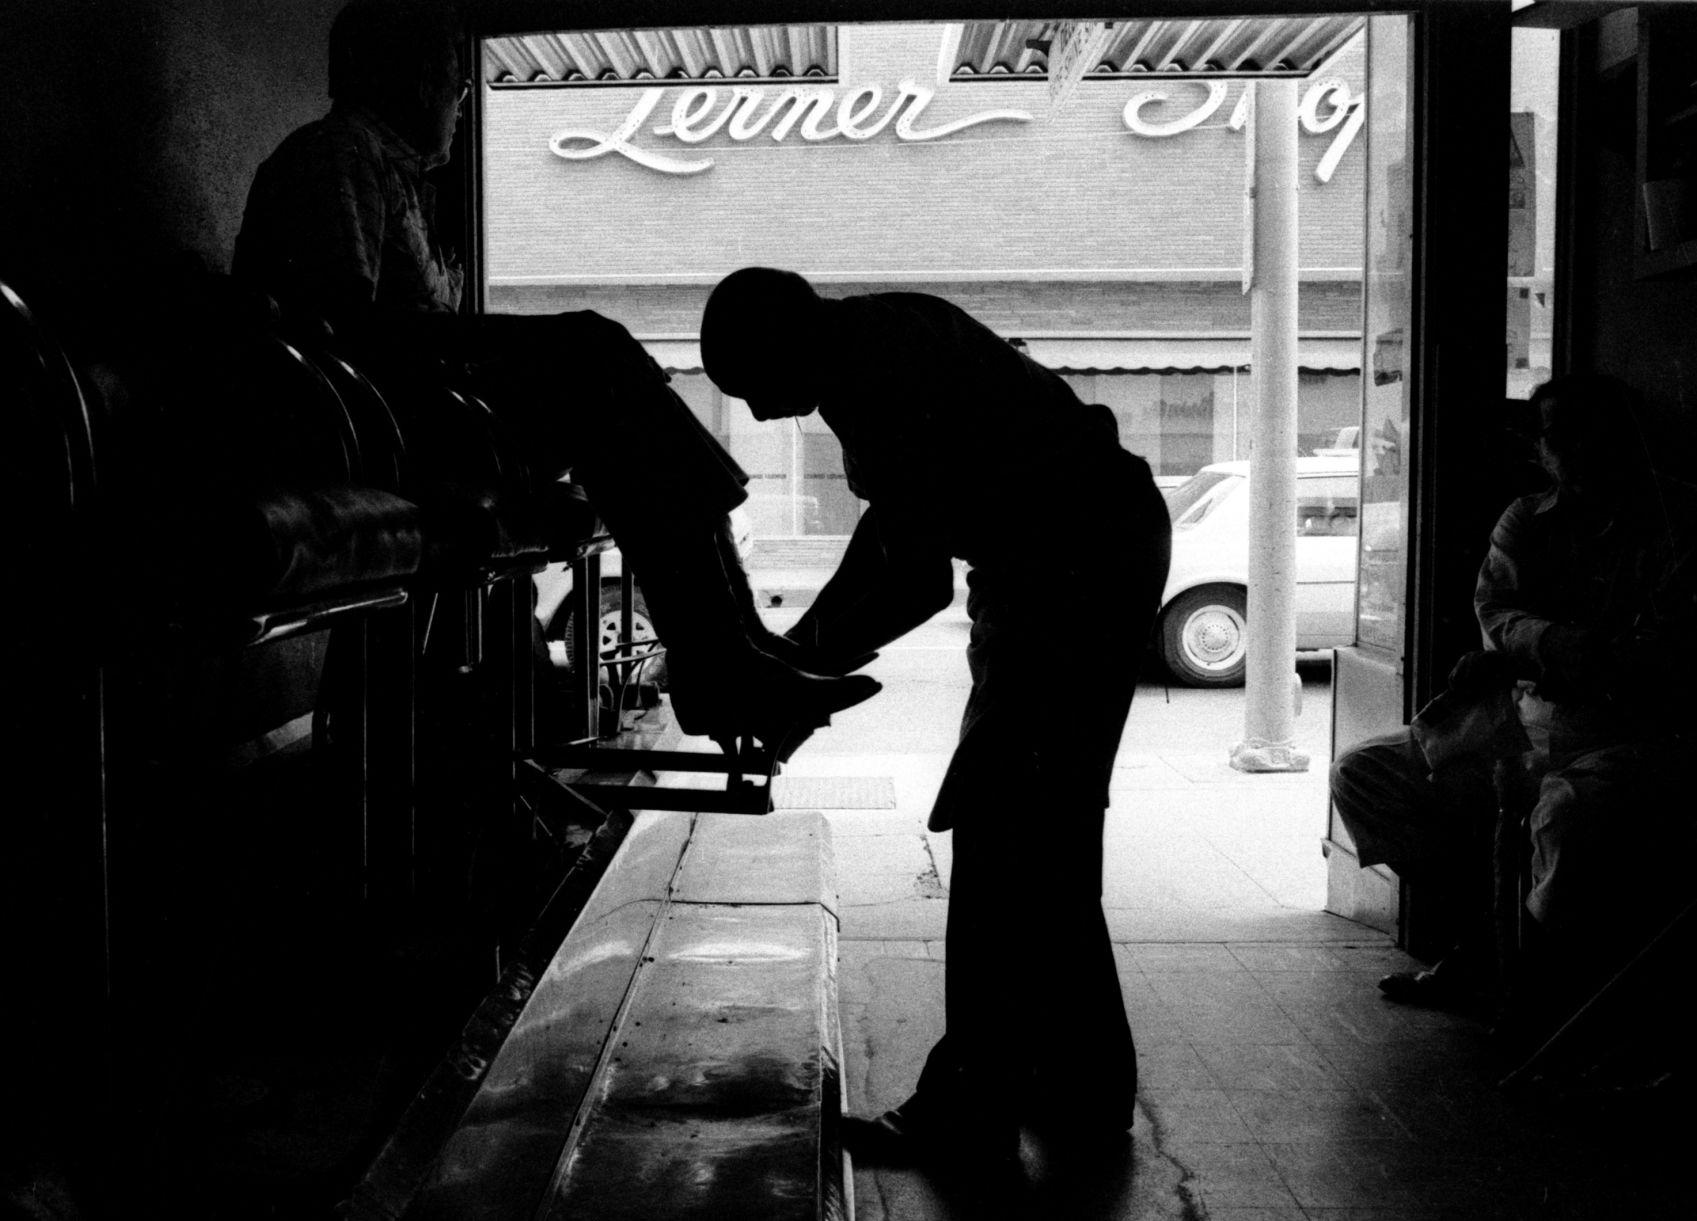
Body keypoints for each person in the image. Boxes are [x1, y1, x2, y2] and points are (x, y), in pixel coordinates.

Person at [232, 0, 876, 742]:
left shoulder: (392, 176)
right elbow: (344, 330)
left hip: (414, 419)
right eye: (455, 81)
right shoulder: (337, 155)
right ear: (413, 78)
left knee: (609, 376)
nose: (461, 101)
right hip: (372, 430)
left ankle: (733, 650)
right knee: (597, 353)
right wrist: (539, 337)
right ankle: (728, 655)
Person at [700, 267, 1173, 1177]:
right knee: (1045, 830)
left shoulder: (877, 371)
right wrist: (795, 655)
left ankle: (970, 1104)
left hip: (1070, 572)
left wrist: (796, 674)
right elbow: (888, 535)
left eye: (752, 385)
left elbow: (913, 581)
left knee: (1003, 824)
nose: (757, 413)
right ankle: (1081, 1083)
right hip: (1081, 554)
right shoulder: (868, 347)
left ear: (783, 340)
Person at [1330, 372, 1697, 1027]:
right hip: (1518, 718)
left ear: (1617, 435)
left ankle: (1535, 982)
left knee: (1566, 812)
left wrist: (1557, 651)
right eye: (1551, 436)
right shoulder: (1527, 519)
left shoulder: (1675, 522)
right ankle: (1477, 936)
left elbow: (1661, 653)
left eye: (1578, 431)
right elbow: (1496, 612)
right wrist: (1559, 644)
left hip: (1622, 731)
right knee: (1363, 773)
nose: (1564, 448)